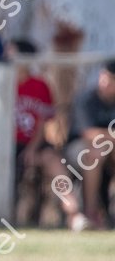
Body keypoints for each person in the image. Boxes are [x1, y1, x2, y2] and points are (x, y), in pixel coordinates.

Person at [9, 39, 86, 230]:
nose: (6, 57)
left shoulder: (40, 85)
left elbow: (44, 124)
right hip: (6, 146)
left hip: (32, 144)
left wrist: (32, 149)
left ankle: (73, 212)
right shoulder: (2, 83)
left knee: (53, 159)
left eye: (11, 53)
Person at [69, 60, 115, 228]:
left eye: (110, 80)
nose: (104, 83)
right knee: (95, 153)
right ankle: (90, 213)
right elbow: (88, 133)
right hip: (79, 148)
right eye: (103, 77)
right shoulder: (86, 98)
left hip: (109, 148)